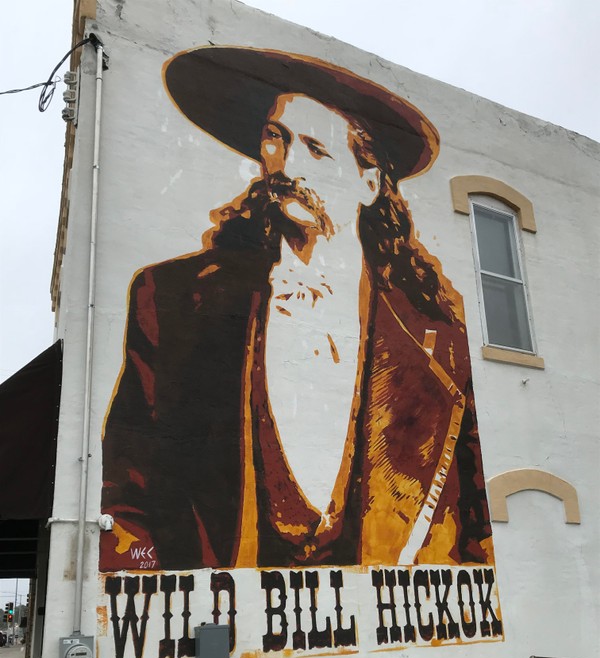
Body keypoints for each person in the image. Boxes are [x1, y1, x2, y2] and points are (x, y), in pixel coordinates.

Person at [101, 47, 492, 572]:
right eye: (276, 139)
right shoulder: (171, 298)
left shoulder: (439, 336)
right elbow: (125, 488)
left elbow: (475, 521)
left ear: (369, 185)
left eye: (315, 149)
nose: (286, 163)